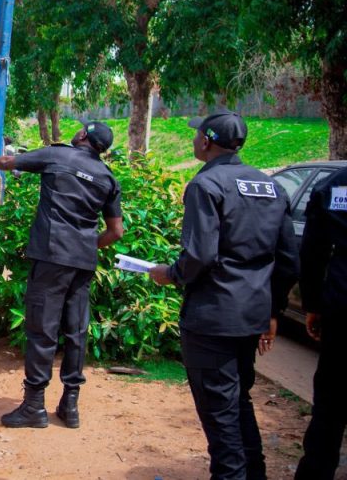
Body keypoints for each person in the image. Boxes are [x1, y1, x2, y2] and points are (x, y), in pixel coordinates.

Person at [149, 111, 298, 480]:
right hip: (249, 318)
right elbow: (289, 262)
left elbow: (199, 255)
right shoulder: (271, 187)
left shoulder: (206, 186)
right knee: (237, 402)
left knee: (220, 417)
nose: (194, 139)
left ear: (207, 141)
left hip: (212, 320)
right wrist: (272, 311)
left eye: (197, 134)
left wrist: (170, 275)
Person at [0, 121, 124, 429]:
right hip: (83, 262)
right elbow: (116, 231)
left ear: (82, 136)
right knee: (76, 330)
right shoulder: (108, 178)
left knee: (42, 329)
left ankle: (34, 406)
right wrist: (84, 245)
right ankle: (70, 406)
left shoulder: (58, 157)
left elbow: (10, 162)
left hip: (52, 256)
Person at [294, 166, 347, 479]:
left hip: (341, 307)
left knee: (330, 402)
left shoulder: (336, 185)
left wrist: (312, 305)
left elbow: (313, 251)